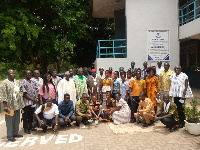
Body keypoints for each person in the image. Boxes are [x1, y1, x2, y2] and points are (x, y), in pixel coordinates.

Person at [0, 69, 24, 142]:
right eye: (11, 73)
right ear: (7, 74)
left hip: (17, 104)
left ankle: (15, 133)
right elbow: (3, 95)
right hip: (9, 105)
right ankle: (10, 136)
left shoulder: (17, 82)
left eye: (14, 73)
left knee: (17, 120)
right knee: (10, 121)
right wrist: (5, 105)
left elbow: (21, 90)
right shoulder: (4, 83)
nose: (13, 74)